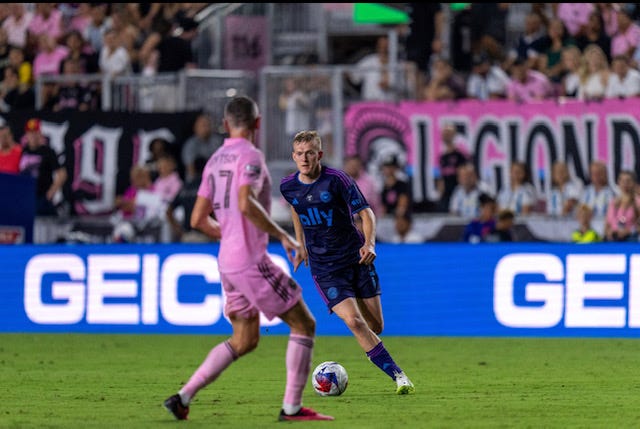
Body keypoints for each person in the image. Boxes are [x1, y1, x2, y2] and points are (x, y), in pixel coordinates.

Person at [163, 96, 333, 422]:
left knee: (245, 339)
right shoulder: (251, 155)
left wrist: (228, 233)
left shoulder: (213, 160)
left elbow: (198, 219)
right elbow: (245, 202)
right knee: (304, 324)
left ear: (226, 125)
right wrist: (282, 236)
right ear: (257, 124)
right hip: (250, 260)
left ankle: (183, 397)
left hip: (226, 261)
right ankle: (292, 408)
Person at [280, 130, 415, 395]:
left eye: (310, 153)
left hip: (356, 258)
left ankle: (371, 340)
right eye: (299, 154)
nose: (305, 159)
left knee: (375, 326)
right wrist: (301, 244)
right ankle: (399, 376)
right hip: (325, 268)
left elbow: (366, 213)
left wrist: (370, 243)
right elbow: (296, 207)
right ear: (293, 156)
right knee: (354, 322)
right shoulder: (288, 186)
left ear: (319, 154)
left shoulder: (337, 180)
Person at [18, 118, 67, 216]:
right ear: (26, 134)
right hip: (25, 197)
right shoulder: (22, 151)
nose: (32, 135)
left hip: (41, 197)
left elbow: (62, 173)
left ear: (40, 133)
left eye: (35, 132)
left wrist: (51, 192)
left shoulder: (47, 151)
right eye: (30, 132)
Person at [437, 123, 469, 212]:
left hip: (457, 193)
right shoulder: (442, 157)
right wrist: (440, 194)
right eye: (444, 133)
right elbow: (441, 177)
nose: (446, 136)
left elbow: (464, 174)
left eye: (448, 133)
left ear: (453, 135)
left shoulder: (460, 155)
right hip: (445, 195)